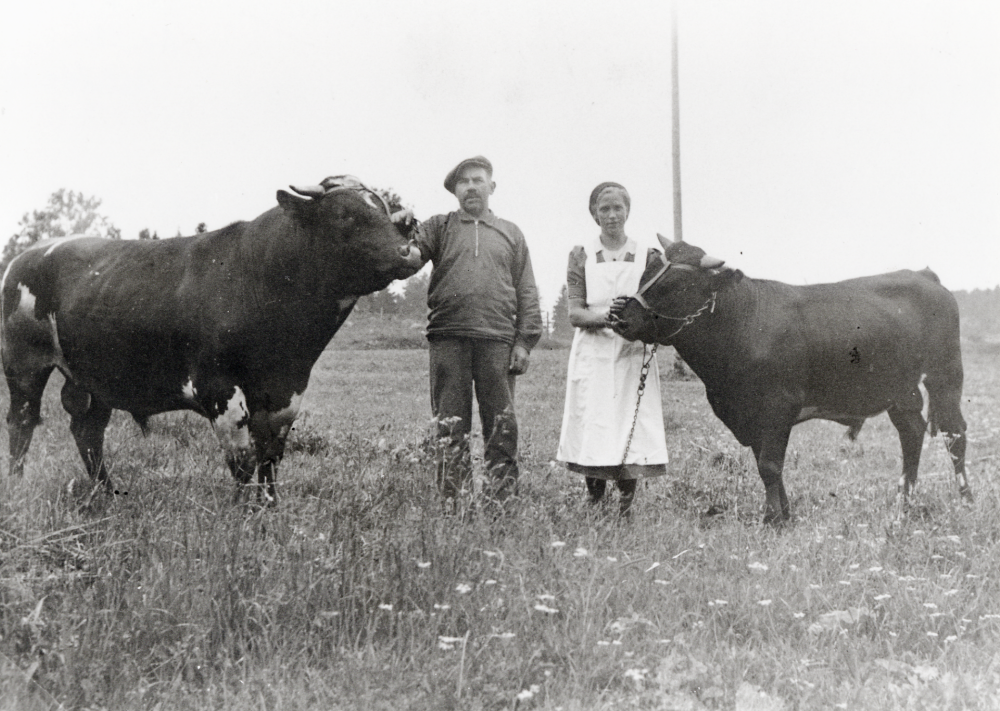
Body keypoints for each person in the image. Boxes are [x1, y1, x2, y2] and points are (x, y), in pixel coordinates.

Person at [409, 156, 542, 506]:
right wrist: (399, 230)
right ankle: (454, 503)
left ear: (491, 187)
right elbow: (410, 256)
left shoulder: (511, 233)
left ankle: (502, 503)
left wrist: (525, 342)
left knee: (501, 424)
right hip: (448, 337)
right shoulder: (439, 227)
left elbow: (527, 289)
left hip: (497, 340)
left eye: (477, 180)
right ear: (455, 190)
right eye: (463, 181)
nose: (471, 186)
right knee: (450, 425)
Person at [556, 182, 669, 515]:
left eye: (618, 207)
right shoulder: (582, 255)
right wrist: (607, 317)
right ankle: (594, 499)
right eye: (604, 209)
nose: (611, 215)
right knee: (594, 422)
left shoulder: (648, 256)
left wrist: (641, 323)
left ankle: (625, 503)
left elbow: (658, 307)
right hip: (593, 351)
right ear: (594, 214)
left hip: (632, 351)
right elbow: (575, 313)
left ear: (627, 211)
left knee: (630, 421)